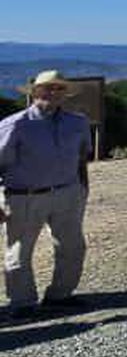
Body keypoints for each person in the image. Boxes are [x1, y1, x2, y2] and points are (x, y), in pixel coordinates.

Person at [0, 71, 92, 318]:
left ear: (65, 93)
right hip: (24, 195)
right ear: (34, 92)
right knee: (19, 250)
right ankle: (22, 303)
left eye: (59, 88)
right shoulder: (15, 124)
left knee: (73, 247)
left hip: (68, 192)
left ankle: (60, 295)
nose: (53, 92)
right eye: (47, 88)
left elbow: (82, 157)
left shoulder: (78, 122)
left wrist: (83, 189)